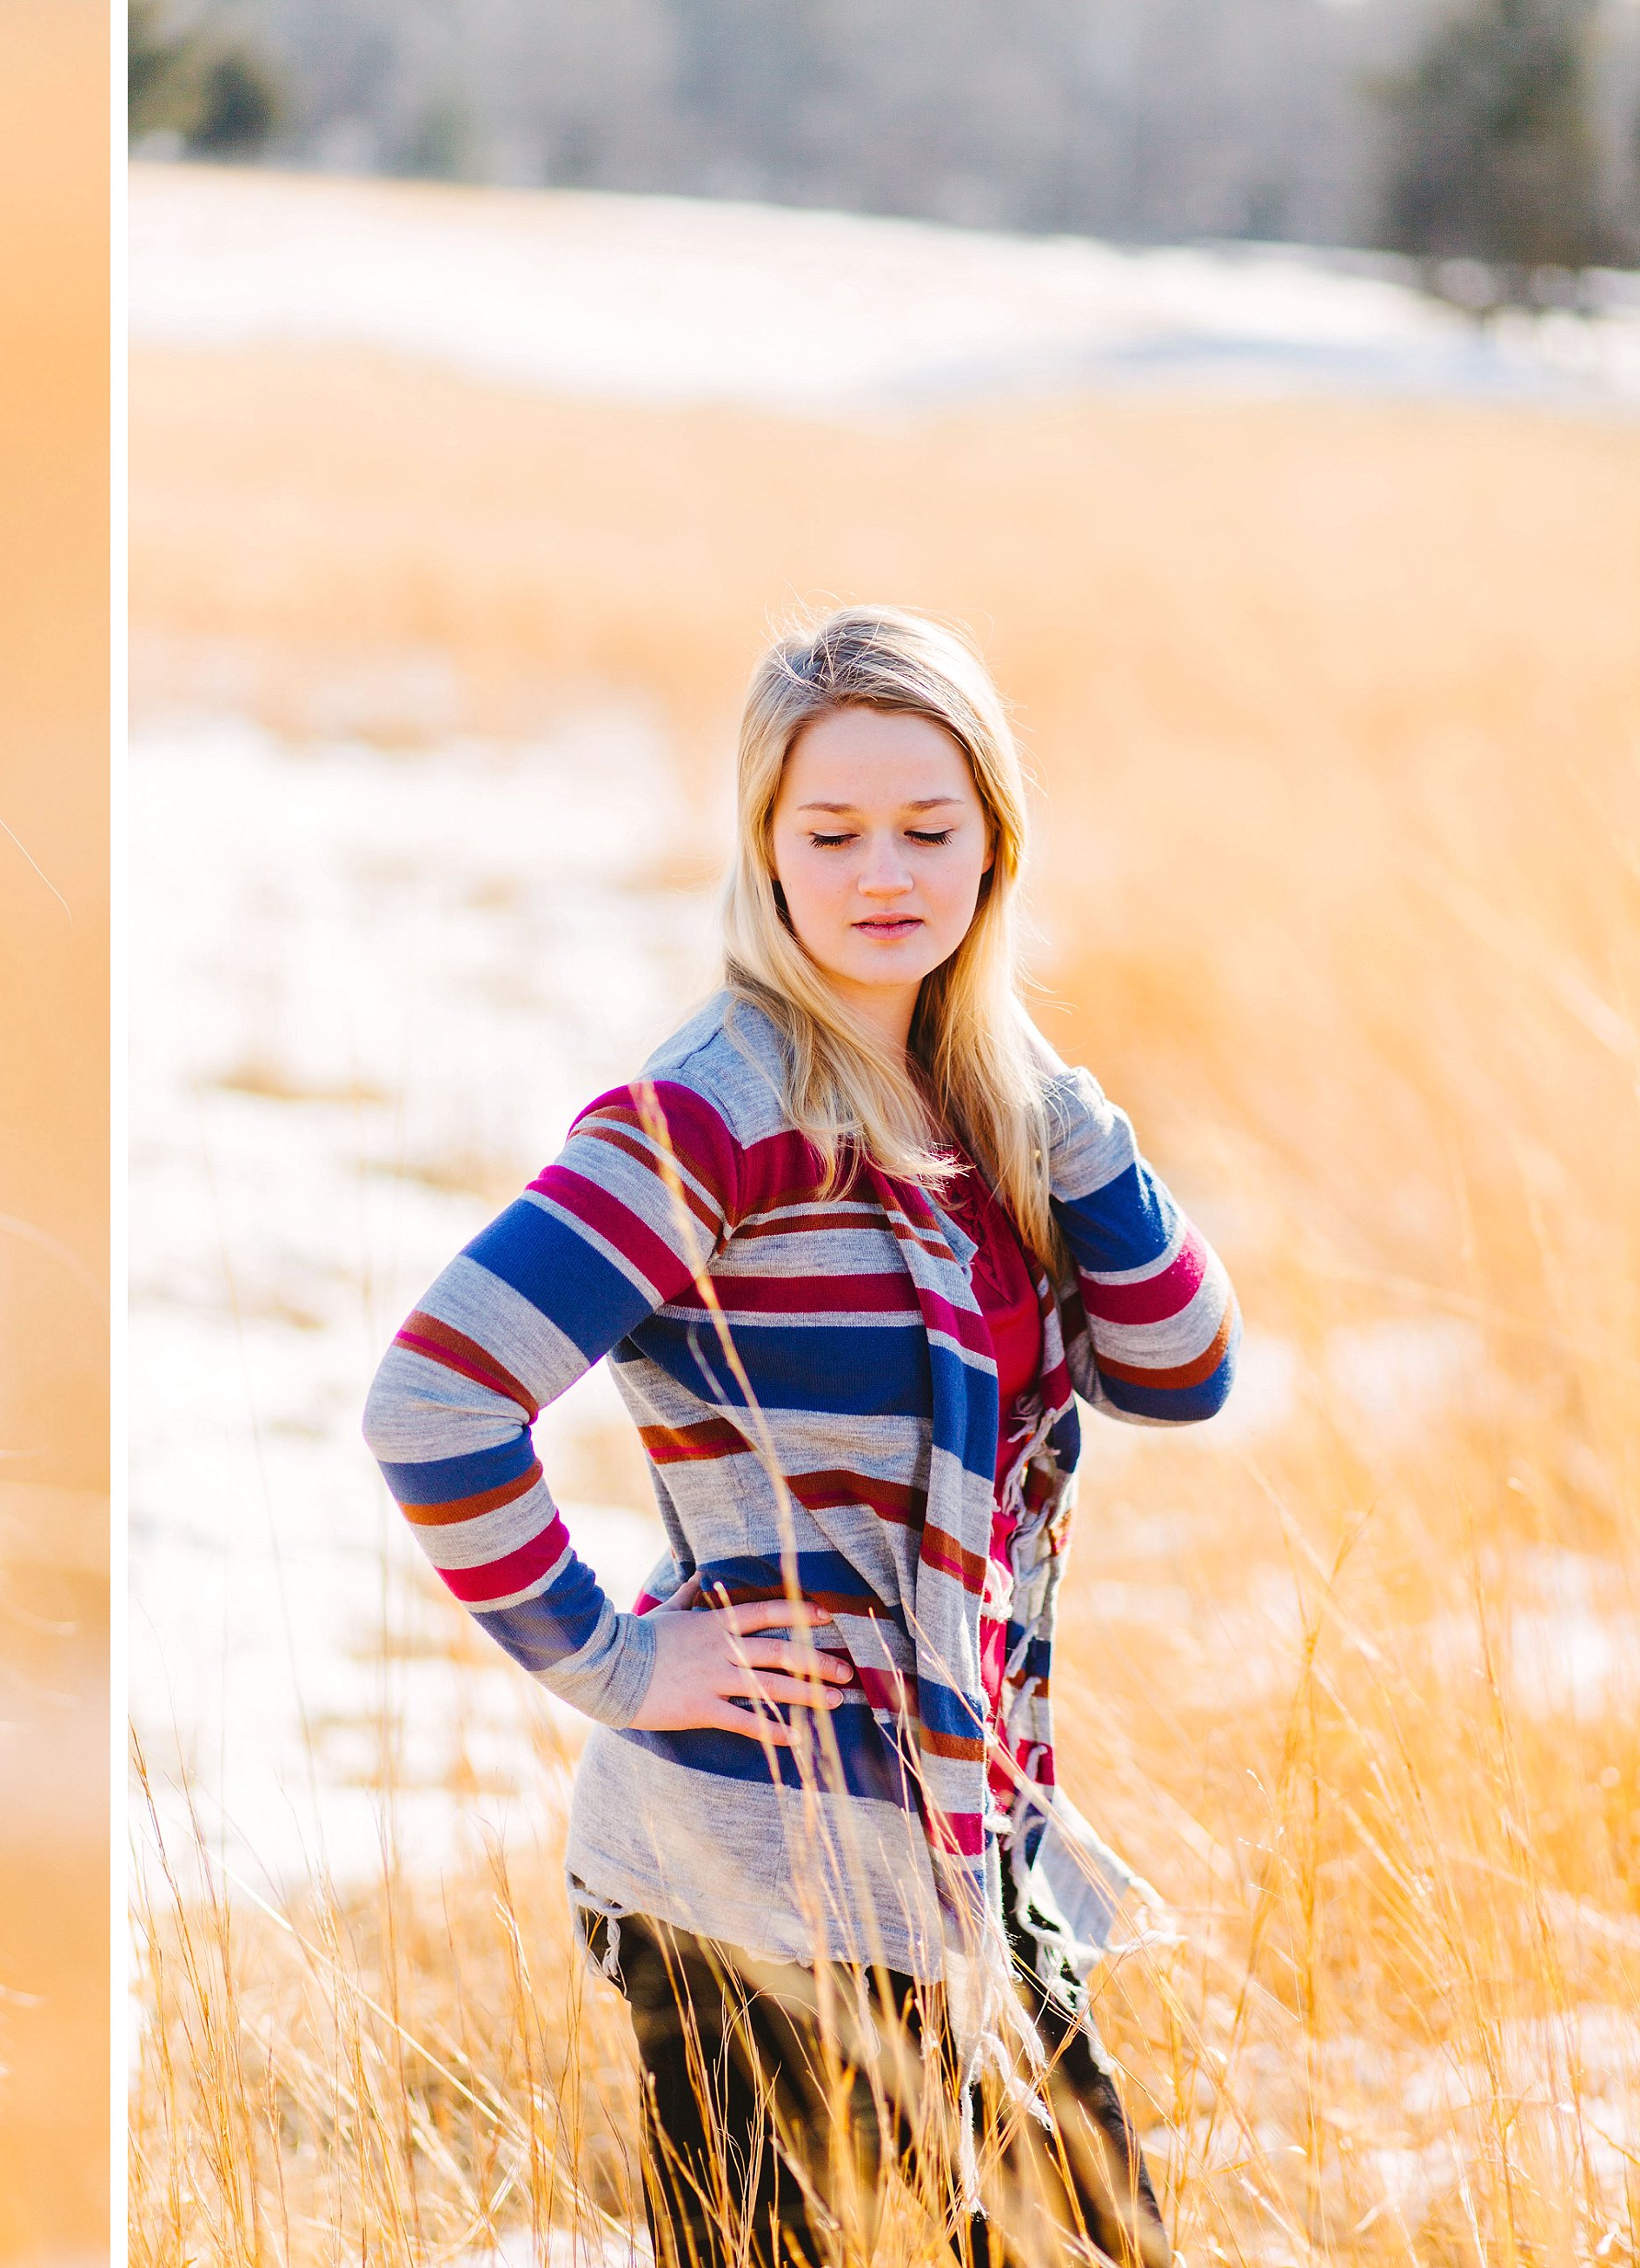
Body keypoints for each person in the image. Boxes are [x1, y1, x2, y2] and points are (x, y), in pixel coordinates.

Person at [362, 607, 1235, 2265]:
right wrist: (618, 1663)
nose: (880, 872)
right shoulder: (716, 1109)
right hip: (745, 1875)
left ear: (996, 843)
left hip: (969, 1852)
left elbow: (1186, 1367)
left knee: (1098, 2230)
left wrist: (1054, 1103)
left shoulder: (993, 1116)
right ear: (763, 848)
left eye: (929, 827)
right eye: (829, 832)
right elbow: (434, 1395)